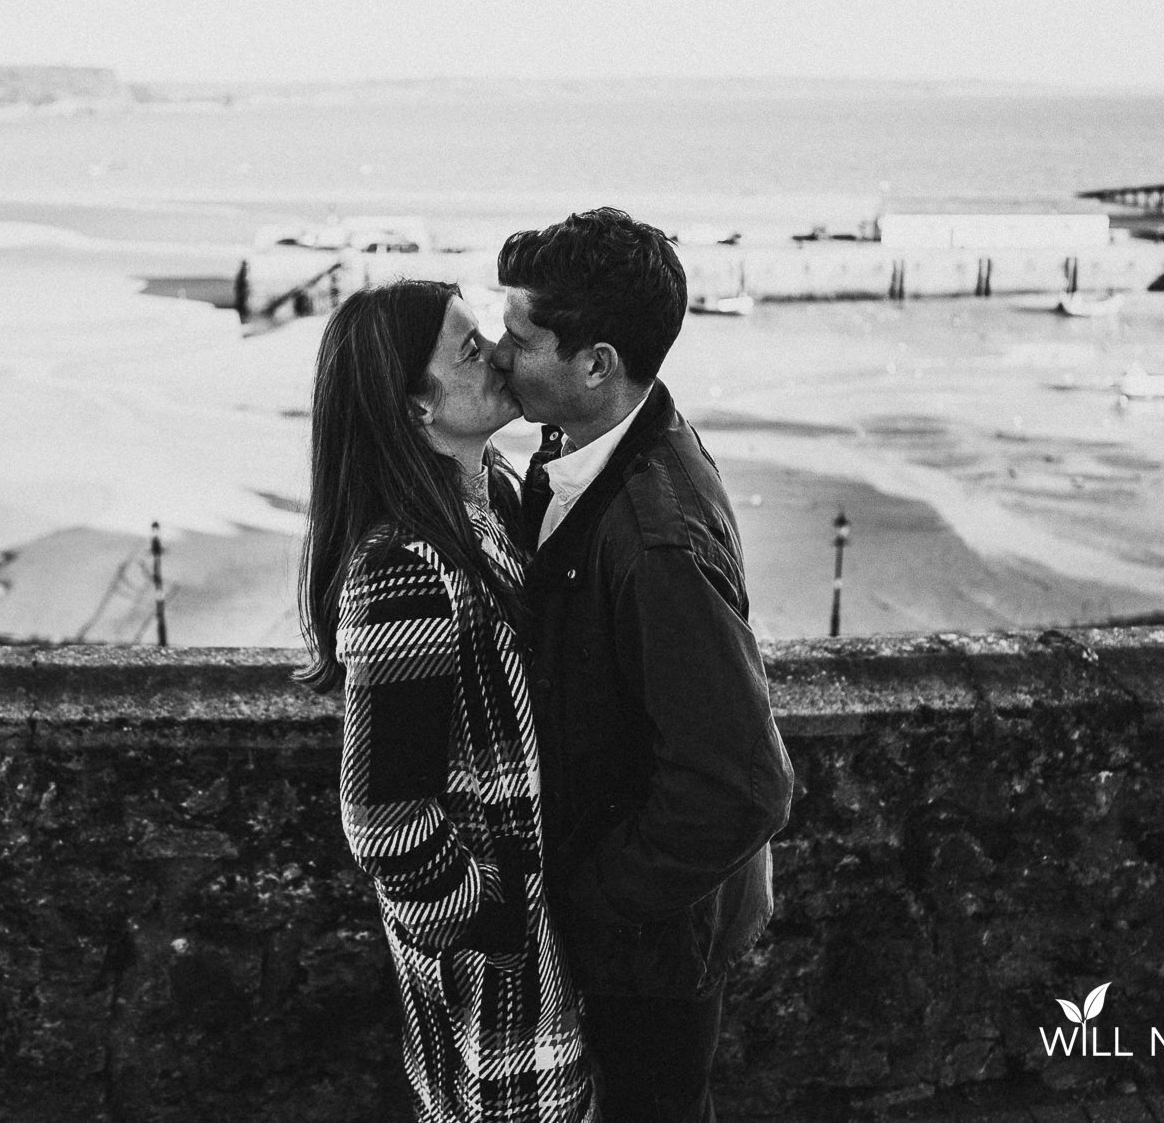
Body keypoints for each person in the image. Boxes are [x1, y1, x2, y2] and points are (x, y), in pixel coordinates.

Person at [490, 208, 795, 1123]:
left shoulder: (653, 537)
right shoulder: (586, 446)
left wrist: (591, 903)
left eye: (519, 338)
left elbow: (742, 783)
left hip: (652, 948)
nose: (501, 356)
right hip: (643, 928)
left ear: (596, 363)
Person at [298, 279, 597, 1123]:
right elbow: (384, 820)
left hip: (541, 954)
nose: (500, 353)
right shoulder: (402, 571)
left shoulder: (490, 497)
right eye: (471, 349)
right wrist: (496, 915)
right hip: (495, 986)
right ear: (414, 409)